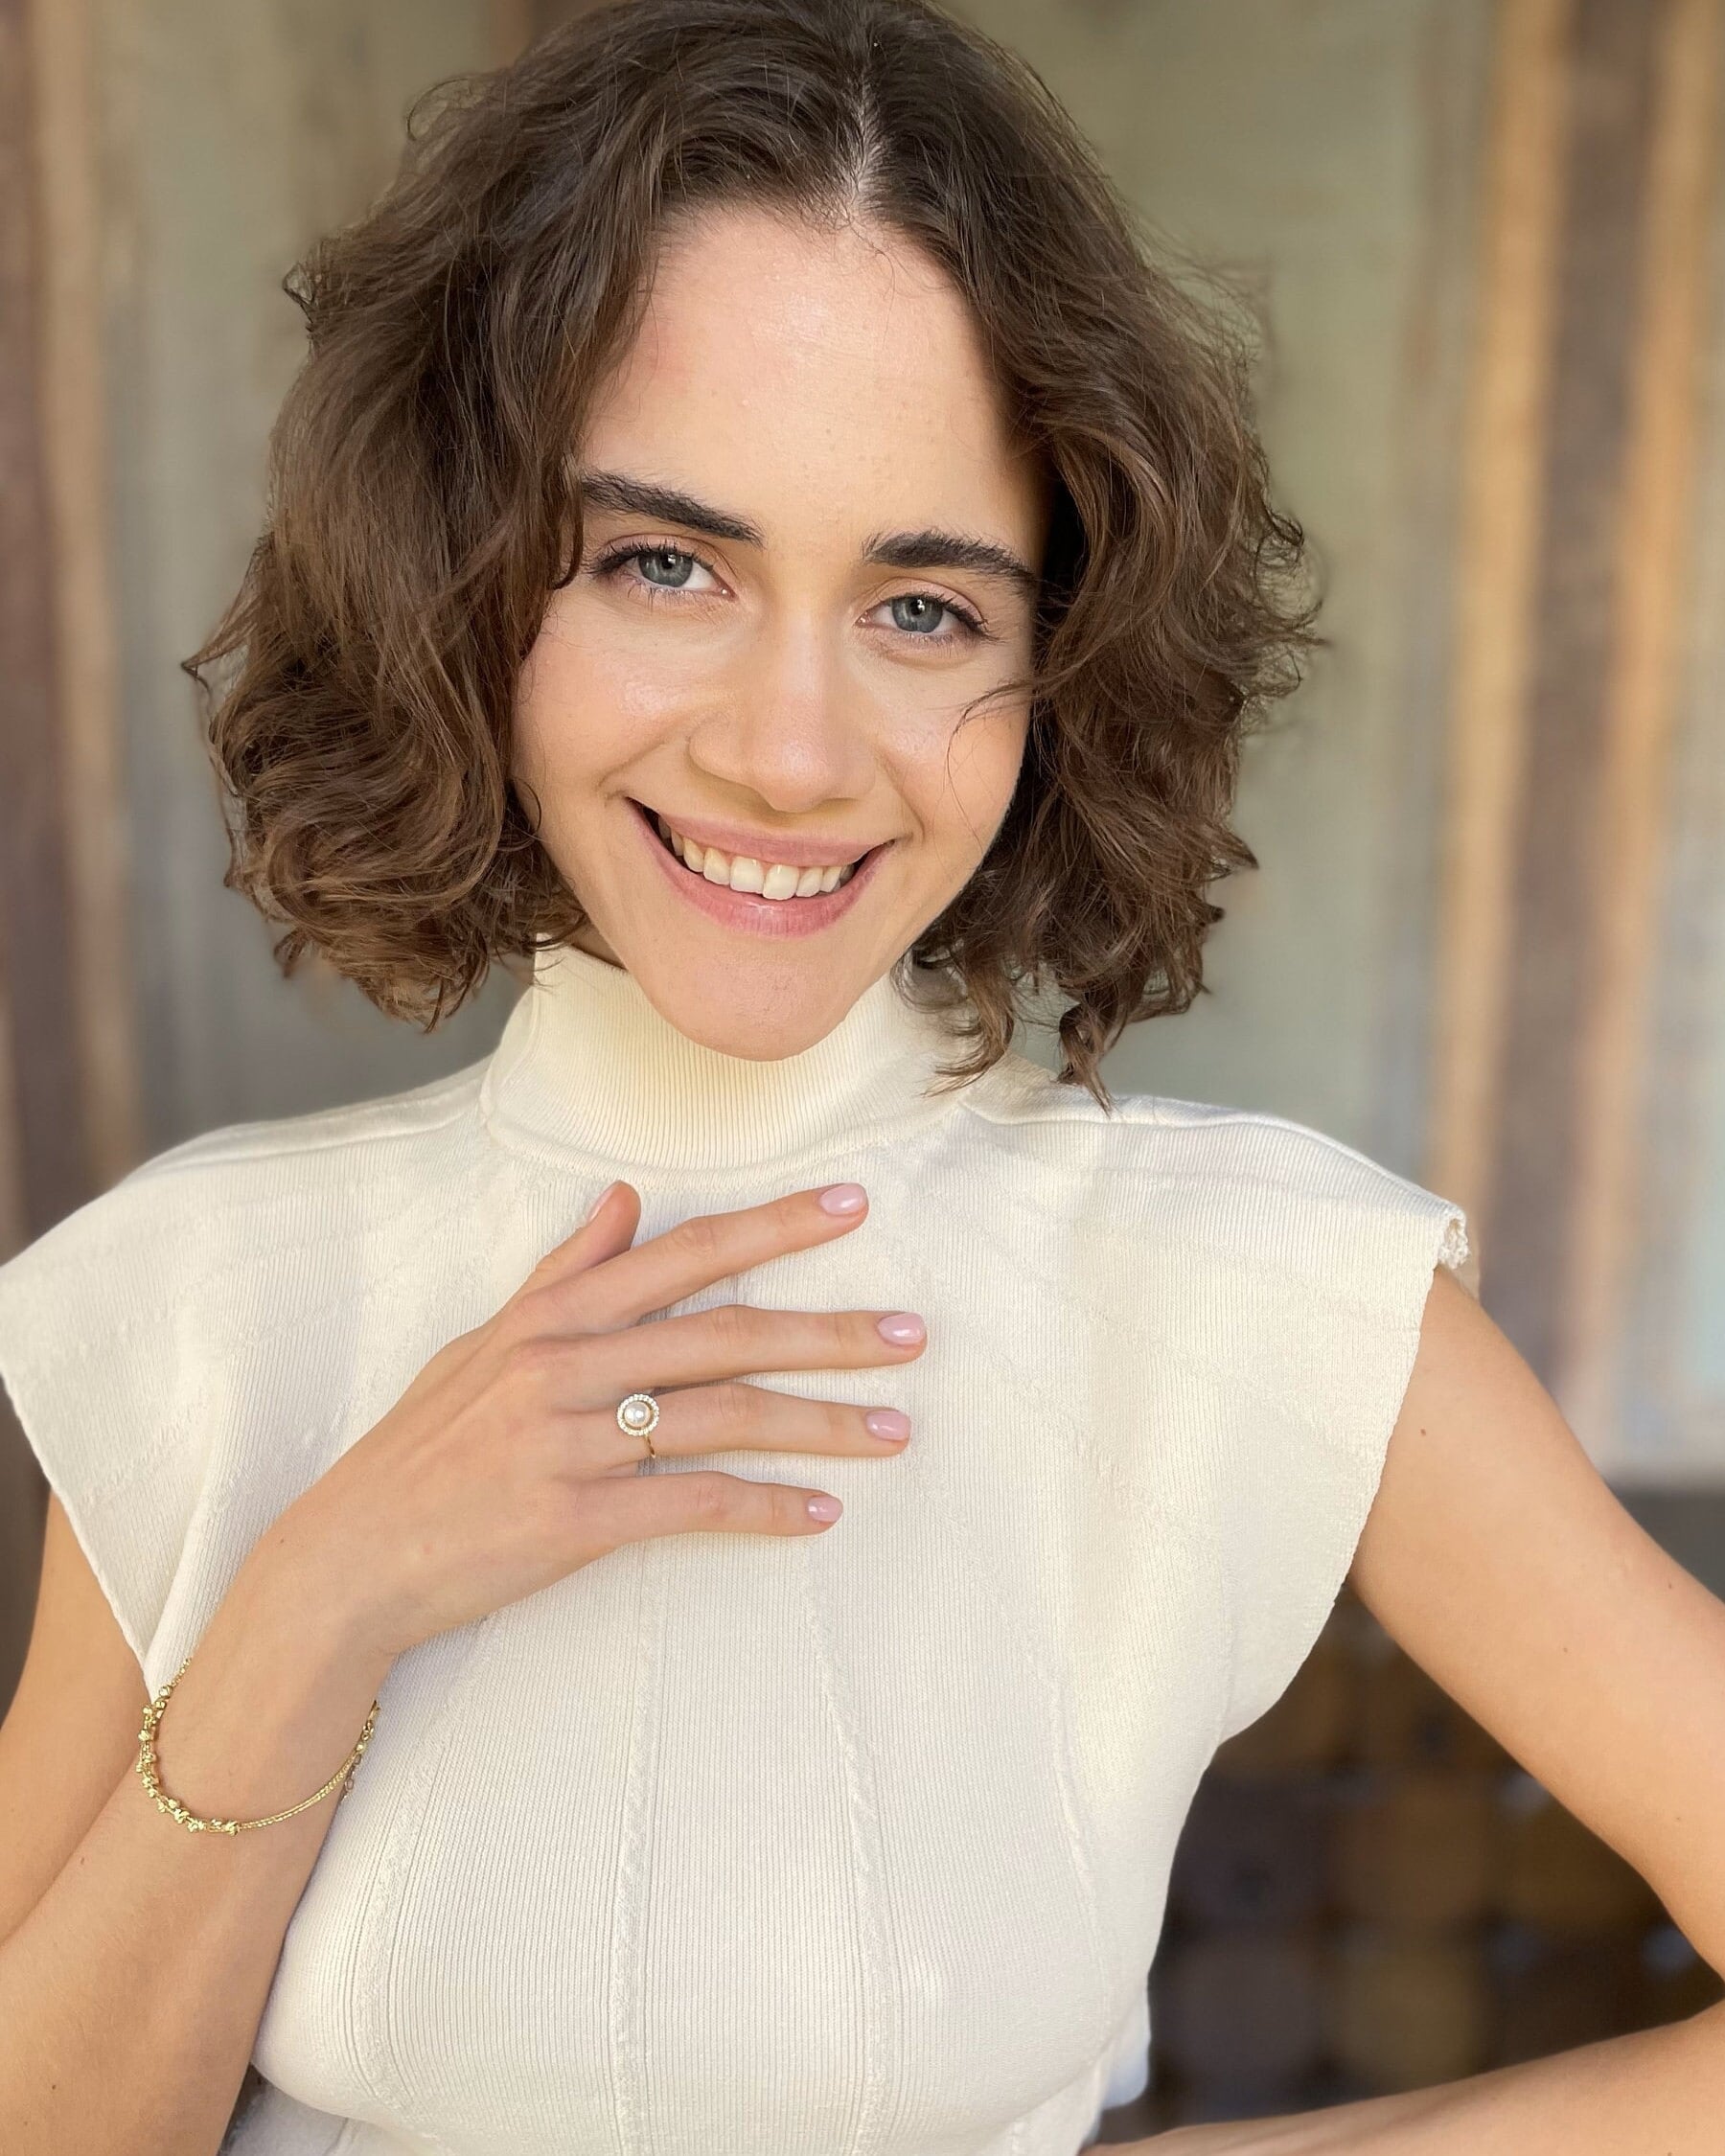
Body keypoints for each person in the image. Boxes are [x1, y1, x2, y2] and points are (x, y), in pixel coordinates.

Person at [3, 0, 1723, 2149]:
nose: (791, 753)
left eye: (923, 609)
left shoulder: (1260, 1295)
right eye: (665, 564)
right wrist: (318, 1606)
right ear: (458, 582)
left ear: (1060, 664)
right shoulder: (200, 1297)